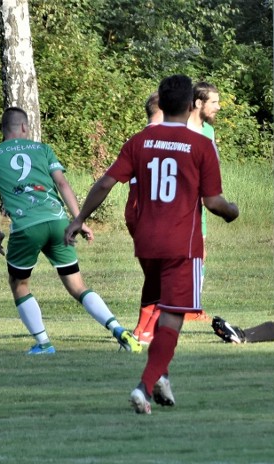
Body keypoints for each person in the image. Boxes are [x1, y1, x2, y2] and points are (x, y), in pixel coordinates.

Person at [65, 74, 239, 414]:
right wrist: (232, 212)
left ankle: (161, 377)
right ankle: (144, 386)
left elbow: (105, 183)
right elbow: (214, 202)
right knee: (173, 316)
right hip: (182, 246)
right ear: (191, 106)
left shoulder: (140, 141)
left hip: (145, 242)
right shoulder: (200, 145)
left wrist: (79, 218)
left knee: (160, 307)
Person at [0, 107, 140, 355]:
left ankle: (43, 343)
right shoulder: (43, 149)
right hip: (57, 222)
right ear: (24, 127)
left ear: (3, 129)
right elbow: (62, 183)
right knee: (77, 285)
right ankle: (118, 330)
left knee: (19, 283)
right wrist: (79, 219)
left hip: (26, 226)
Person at [185, 81, 221, 322]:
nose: (218, 107)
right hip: (180, 202)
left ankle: (192, 305)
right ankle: (184, 306)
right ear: (199, 103)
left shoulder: (208, 131)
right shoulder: (180, 128)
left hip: (200, 202)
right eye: (214, 102)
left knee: (200, 252)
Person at [130, 92, 164, 344]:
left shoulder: (135, 141)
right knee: (170, 277)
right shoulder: (169, 139)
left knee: (154, 277)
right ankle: (150, 330)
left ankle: (141, 328)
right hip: (158, 214)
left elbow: (107, 181)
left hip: (134, 212)